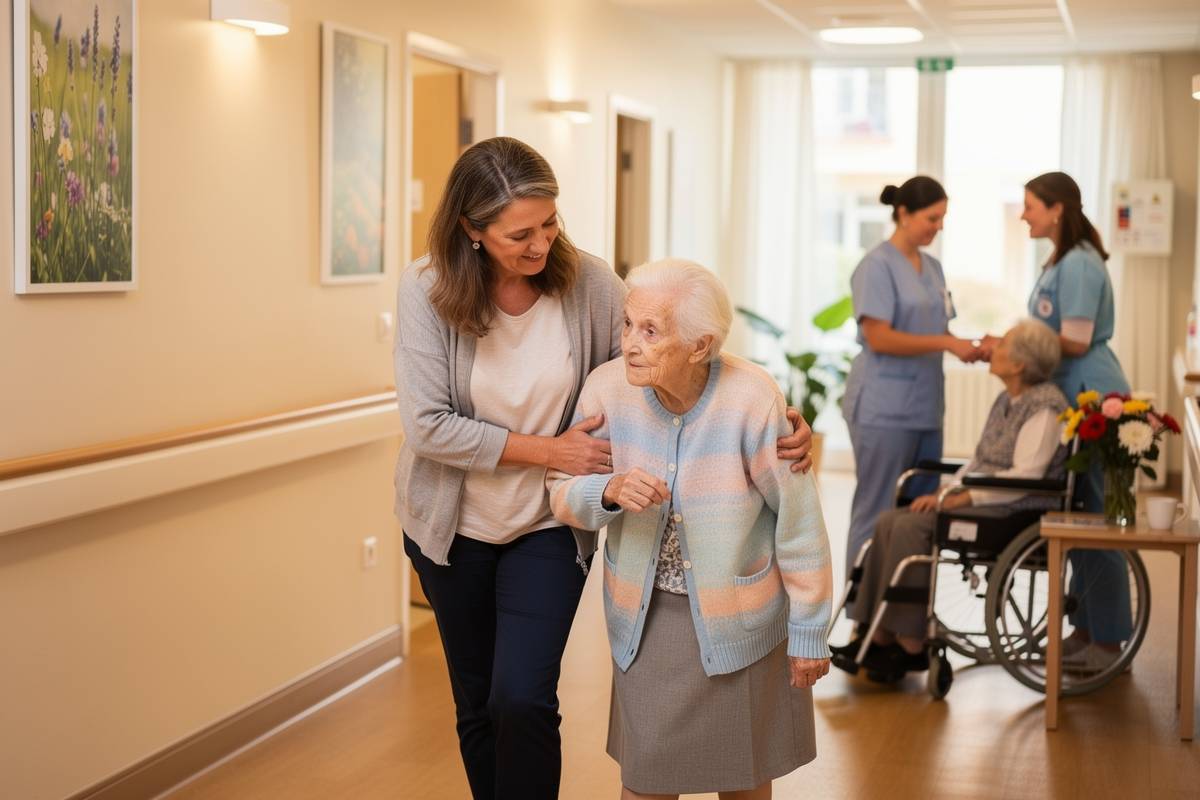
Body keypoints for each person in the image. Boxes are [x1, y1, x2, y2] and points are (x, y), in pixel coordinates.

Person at [393, 137, 814, 800]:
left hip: (548, 519)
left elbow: (675, 340)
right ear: (471, 231)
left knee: (523, 697)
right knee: (477, 704)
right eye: (520, 234)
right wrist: (549, 450)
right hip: (453, 527)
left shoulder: (586, 281)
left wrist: (773, 412)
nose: (541, 245)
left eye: (551, 222)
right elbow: (427, 426)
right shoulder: (428, 289)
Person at [548, 259, 833, 800]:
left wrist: (809, 630)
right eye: (628, 324)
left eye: (650, 331)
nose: (630, 342)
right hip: (647, 620)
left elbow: (798, 524)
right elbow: (559, 488)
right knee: (646, 778)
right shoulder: (607, 390)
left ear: (700, 346)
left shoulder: (752, 397)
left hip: (743, 619)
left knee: (744, 779)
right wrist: (605, 491)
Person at [833, 320, 1067, 678]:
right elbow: (979, 460)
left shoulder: (1045, 407)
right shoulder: (1008, 399)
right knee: (888, 520)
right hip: (986, 501)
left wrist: (966, 495)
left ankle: (911, 643)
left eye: (1002, 344)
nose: (992, 348)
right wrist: (948, 489)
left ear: (1020, 365)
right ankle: (875, 633)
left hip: (1011, 511)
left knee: (912, 528)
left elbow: (1027, 477)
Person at [981, 171, 1133, 671]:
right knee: (1076, 515)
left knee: (1100, 522)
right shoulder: (1060, 261)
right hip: (1071, 397)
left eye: (1029, 206)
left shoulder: (1081, 266)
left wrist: (1016, 341)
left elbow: (1076, 340)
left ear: (1056, 209)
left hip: (1095, 397)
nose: (1023, 214)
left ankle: (1109, 642)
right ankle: (1085, 628)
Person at [842, 176, 982, 573]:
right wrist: (945, 344)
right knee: (877, 509)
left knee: (920, 512)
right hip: (883, 408)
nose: (938, 227)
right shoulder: (876, 266)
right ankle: (862, 619)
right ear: (903, 214)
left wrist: (966, 345)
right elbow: (879, 337)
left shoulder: (933, 267)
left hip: (925, 407)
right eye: (932, 218)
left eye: (942, 219)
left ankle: (903, 621)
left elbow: (940, 331)